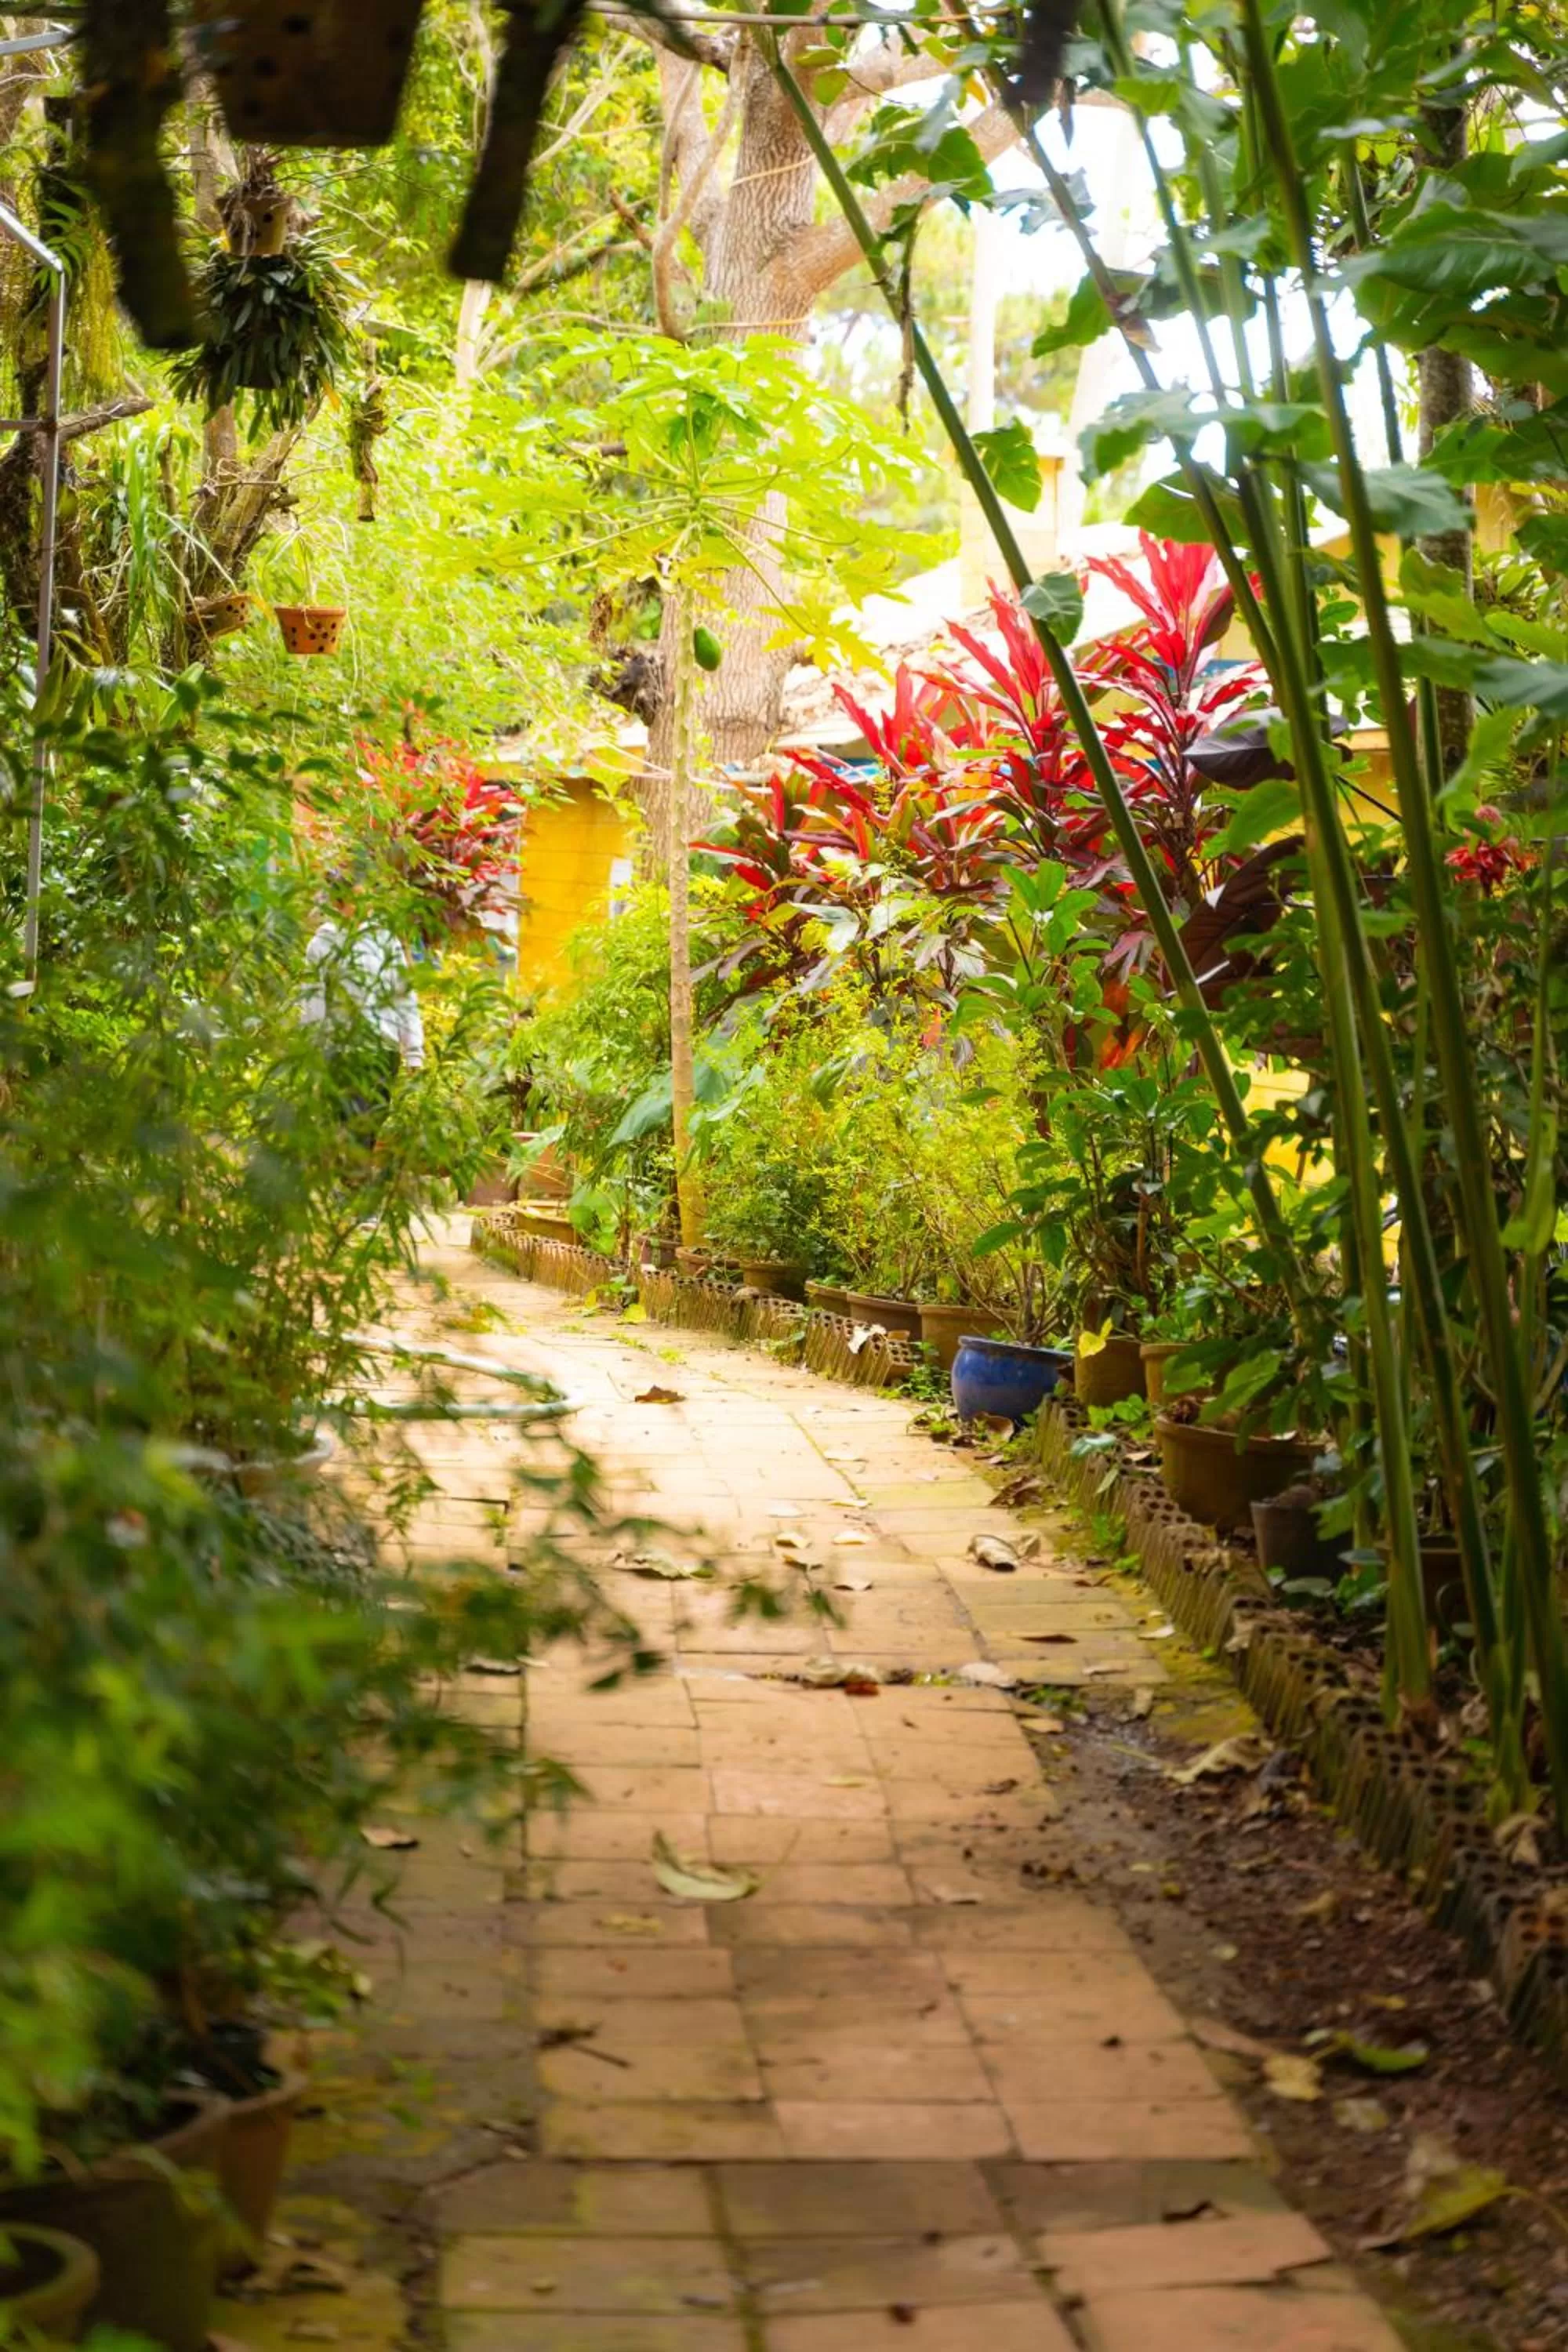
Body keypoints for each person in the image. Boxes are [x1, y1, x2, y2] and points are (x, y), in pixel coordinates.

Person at [301, 895, 425, 1149]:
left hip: (383, 1049)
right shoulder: (321, 945)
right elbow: (313, 1001)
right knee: (350, 1126)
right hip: (341, 1050)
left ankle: (351, 1183)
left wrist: (414, 1051)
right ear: (340, 901)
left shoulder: (385, 940)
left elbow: (404, 996)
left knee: (371, 1125)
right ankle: (351, 1183)